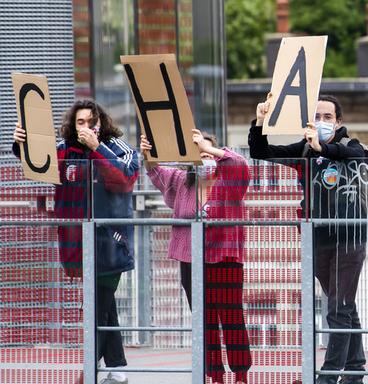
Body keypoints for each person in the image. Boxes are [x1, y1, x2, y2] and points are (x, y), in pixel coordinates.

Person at [12, 100, 139, 384]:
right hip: (78, 244)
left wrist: (96, 148)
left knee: (98, 305)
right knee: (105, 307)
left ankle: (89, 372)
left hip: (111, 244)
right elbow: (38, 163)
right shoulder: (62, 151)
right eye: (79, 123)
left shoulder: (119, 148)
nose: (85, 128)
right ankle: (117, 370)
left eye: (90, 122)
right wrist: (22, 143)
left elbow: (123, 179)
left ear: (101, 123)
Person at [248, 94, 368, 384]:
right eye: (317, 117)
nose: (322, 121)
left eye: (328, 117)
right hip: (319, 240)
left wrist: (324, 147)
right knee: (344, 307)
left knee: (338, 309)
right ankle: (355, 372)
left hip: (349, 238)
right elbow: (261, 152)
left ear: (339, 122)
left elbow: (359, 158)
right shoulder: (304, 151)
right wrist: (260, 122)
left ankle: (327, 378)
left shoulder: (351, 146)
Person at [141, 129, 252, 383]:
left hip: (224, 260)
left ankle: (240, 374)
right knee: (204, 320)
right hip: (191, 260)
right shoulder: (183, 181)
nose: (205, 159)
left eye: (209, 154)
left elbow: (240, 163)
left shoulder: (229, 180)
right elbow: (156, 172)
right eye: (199, 154)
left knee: (232, 317)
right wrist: (148, 153)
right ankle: (214, 374)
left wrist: (210, 147)